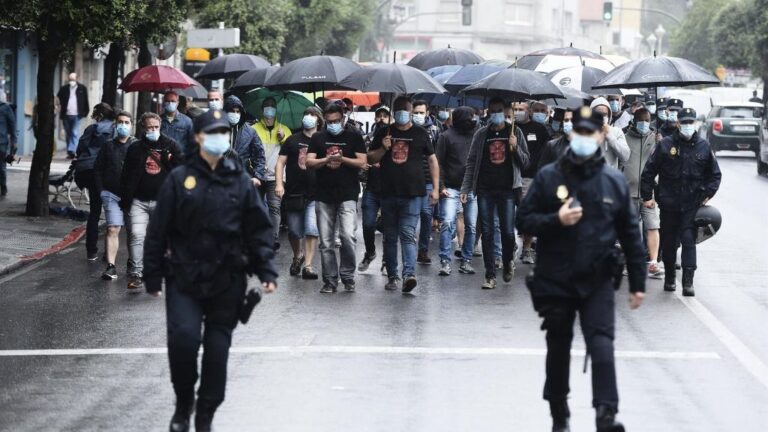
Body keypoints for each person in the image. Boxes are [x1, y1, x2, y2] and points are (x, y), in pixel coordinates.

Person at [143, 108, 277, 432]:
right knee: (184, 342)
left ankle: (205, 414)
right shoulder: (179, 179)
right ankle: (184, 403)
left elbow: (258, 228)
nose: (219, 137)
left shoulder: (240, 180)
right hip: (184, 277)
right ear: (198, 138)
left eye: (222, 132)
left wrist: (266, 270)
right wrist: (152, 274)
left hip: (226, 280)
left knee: (217, 354)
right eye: (212, 132)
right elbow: (158, 229)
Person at [517, 105, 647, 432]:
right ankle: (559, 411)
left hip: (598, 277)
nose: (584, 138)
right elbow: (523, 220)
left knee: (602, 343)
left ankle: (606, 413)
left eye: (591, 132)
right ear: (570, 133)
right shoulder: (550, 177)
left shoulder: (613, 181)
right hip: (556, 278)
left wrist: (638, 283)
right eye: (579, 132)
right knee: (558, 346)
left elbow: (631, 233)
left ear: (602, 135)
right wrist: (555, 220)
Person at [641, 107, 721, 296]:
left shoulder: (703, 146)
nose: (686, 126)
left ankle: (688, 281)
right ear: (678, 123)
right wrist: (647, 196)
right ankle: (670, 277)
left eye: (689, 122)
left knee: (688, 240)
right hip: (669, 204)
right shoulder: (665, 145)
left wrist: (708, 193)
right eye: (683, 122)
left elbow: (715, 175)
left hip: (692, 204)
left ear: (694, 123)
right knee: (669, 243)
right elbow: (649, 172)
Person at [369, 96, 440, 293]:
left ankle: (409, 274)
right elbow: (370, 157)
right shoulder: (384, 132)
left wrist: (435, 188)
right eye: (398, 109)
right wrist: (384, 147)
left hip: (413, 194)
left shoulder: (420, 133)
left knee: (408, 234)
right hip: (389, 193)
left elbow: (433, 160)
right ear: (394, 111)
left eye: (405, 109)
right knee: (390, 237)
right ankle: (393, 276)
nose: (402, 112)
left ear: (410, 111)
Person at [460, 97, 529, 290]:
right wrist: (466, 188)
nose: (496, 114)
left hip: (508, 190)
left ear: (507, 112)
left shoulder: (515, 132)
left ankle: (507, 261)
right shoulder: (481, 134)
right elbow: (472, 162)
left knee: (507, 232)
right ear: (488, 113)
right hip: (485, 190)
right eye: (492, 111)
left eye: (499, 110)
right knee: (488, 232)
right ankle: (490, 275)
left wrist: (515, 149)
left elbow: (526, 162)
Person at [306, 103, 367, 293]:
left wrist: (342, 159)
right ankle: (330, 280)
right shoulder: (318, 137)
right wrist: (325, 160)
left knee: (347, 236)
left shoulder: (354, 136)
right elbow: (308, 162)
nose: (333, 124)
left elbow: (362, 162)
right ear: (324, 120)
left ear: (343, 118)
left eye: (336, 121)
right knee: (326, 241)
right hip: (323, 195)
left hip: (348, 194)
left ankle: (348, 276)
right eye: (329, 121)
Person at [120, 112, 184, 291]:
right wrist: (125, 199)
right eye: (150, 127)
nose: (153, 130)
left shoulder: (171, 145)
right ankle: (137, 273)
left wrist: (169, 160)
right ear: (143, 128)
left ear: (160, 127)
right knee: (137, 235)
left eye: (156, 127)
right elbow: (126, 175)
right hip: (138, 201)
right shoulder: (135, 148)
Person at [275, 106, 322, 280]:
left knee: (311, 229)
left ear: (318, 119)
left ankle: (308, 266)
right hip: (294, 193)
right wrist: (279, 184)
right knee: (294, 232)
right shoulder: (292, 140)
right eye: (306, 114)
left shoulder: (322, 140)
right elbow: (280, 163)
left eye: (312, 115)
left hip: (315, 194)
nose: (308, 117)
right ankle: (298, 256)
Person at [94, 111, 137, 280]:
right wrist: (101, 191)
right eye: (120, 122)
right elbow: (97, 169)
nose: (123, 125)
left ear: (131, 125)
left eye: (127, 122)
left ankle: (133, 263)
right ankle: (111, 267)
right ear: (115, 124)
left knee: (133, 232)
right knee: (113, 228)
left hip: (133, 196)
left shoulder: (137, 146)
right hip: (111, 194)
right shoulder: (108, 145)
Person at [435, 106, 478, 276]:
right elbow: (439, 162)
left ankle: (466, 260)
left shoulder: (477, 135)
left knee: (472, 226)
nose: (472, 121)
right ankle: (445, 261)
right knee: (446, 223)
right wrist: (442, 187)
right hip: (451, 189)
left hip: (471, 189)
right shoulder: (446, 137)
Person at [623, 108, 664, 279]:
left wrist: (660, 144)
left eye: (647, 120)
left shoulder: (656, 139)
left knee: (652, 226)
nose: (644, 124)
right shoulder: (624, 137)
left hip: (649, 194)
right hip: (628, 192)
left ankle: (653, 262)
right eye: (641, 120)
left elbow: (664, 163)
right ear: (634, 120)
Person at [511, 101, 551, 265]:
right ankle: (509, 245)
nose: (518, 112)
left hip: (530, 177)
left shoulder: (540, 129)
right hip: (510, 176)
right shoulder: (510, 128)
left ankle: (527, 249)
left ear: (529, 112)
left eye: (522, 110)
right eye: (516, 110)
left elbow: (546, 152)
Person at [74, 103, 115, 261]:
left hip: (88, 171)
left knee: (95, 212)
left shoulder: (92, 129)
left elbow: (81, 148)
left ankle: (91, 251)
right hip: (107, 172)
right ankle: (109, 252)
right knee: (112, 212)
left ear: (99, 115)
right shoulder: (116, 128)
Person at [253, 97, 289, 250]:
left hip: (276, 177)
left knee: (275, 208)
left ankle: (273, 240)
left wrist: (283, 139)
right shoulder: (253, 129)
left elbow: (290, 152)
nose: (269, 109)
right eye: (266, 106)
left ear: (276, 110)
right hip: (258, 175)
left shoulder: (284, 129)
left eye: (272, 106)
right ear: (262, 110)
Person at [359, 106, 390, 274]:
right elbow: (367, 158)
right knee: (367, 223)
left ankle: (387, 260)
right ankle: (370, 252)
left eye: (386, 116)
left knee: (387, 226)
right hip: (372, 186)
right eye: (379, 116)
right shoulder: (371, 136)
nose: (382, 119)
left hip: (390, 189)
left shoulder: (396, 135)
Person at [412, 99, 441, 264]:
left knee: (426, 215)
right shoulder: (406, 129)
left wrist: (438, 186)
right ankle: (409, 246)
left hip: (428, 179)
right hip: (410, 179)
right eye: (415, 112)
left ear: (427, 113)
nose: (418, 115)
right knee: (410, 216)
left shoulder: (435, 131)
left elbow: (437, 158)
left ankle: (423, 250)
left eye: (421, 112)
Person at [223, 95, 266, 185]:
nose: (235, 114)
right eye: (232, 111)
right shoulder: (217, 129)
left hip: (243, 179)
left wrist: (257, 177)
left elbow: (259, 155)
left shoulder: (250, 132)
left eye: (238, 112)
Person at [590, 97, 630, 169]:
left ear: (609, 116)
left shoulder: (616, 131)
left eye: (604, 114)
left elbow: (625, 156)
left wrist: (610, 137)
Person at [57, 72, 89, 159]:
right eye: (70, 79)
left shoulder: (82, 88)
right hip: (66, 115)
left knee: (74, 132)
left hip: (77, 114)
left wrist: (86, 111)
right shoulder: (64, 89)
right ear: (68, 79)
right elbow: (58, 99)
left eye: (73, 79)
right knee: (68, 134)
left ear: (76, 79)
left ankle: (72, 150)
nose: (72, 81)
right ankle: (70, 151)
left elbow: (85, 101)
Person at [160, 91, 196, 158]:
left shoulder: (187, 121)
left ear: (177, 102)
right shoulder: (158, 121)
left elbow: (192, 143)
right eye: (167, 101)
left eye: (173, 101)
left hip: (180, 159)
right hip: (162, 159)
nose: (170, 103)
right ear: (164, 102)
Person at [0, 96, 17, 196]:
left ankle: (3, 185)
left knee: (1, 166)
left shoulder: (6, 108)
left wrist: (14, 141)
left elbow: (13, 125)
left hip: (1, 142)